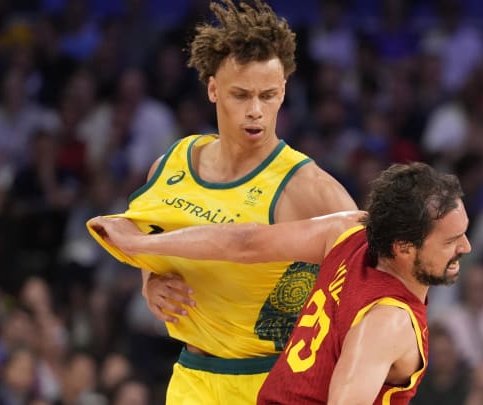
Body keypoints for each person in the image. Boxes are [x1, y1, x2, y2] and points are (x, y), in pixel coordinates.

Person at [88, 0, 357, 403]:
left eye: (268, 96)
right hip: (192, 378)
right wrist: (150, 284)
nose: (255, 112)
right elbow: (152, 230)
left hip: (274, 380)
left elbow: (367, 285)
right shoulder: (171, 164)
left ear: (283, 91)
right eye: (240, 95)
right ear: (213, 89)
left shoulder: (311, 188)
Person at [88, 162, 472, 404]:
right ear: (404, 248)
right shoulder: (389, 319)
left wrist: (139, 244)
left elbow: (244, 241)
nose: (466, 247)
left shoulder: (350, 230)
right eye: (452, 241)